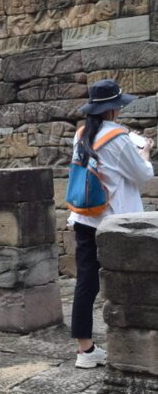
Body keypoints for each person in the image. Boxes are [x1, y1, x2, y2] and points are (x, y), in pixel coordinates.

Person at [68, 79, 154, 369]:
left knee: (86, 284)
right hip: (116, 223)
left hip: (84, 219)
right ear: (114, 109)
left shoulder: (81, 134)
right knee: (131, 283)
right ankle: (133, 347)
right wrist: (145, 153)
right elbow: (142, 175)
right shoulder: (117, 138)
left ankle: (85, 351)